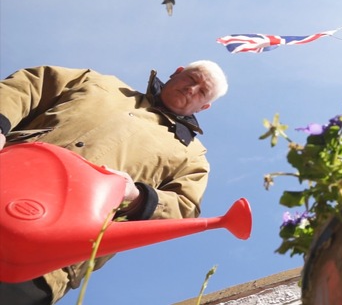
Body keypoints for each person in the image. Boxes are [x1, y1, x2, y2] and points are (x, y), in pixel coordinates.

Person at [0, 60, 228, 305]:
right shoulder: (98, 82)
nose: (192, 89)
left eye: (202, 91)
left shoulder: (192, 157)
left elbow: (185, 208)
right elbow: (29, 86)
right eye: (191, 79)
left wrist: (137, 196)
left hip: (47, 261)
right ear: (178, 72)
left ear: (204, 106)